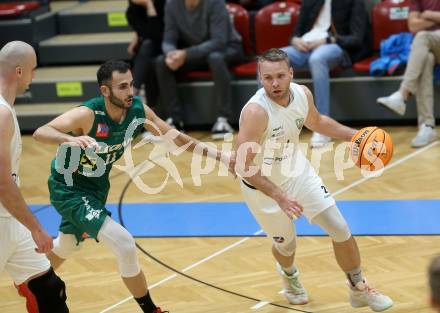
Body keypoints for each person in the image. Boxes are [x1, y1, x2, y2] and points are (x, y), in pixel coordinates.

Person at [33, 59, 232, 313]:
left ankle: (31, 281)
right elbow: (41, 132)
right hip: (68, 189)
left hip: (96, 188)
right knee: (124, 243)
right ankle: (151, 310)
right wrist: (69, 139)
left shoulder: (139, 111)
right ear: (105, 91)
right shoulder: (88, 114)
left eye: (132, 85)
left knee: (67, 245)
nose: (130, 92)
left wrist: (222, 157)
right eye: (122, 87)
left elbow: (176, 138)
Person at [235, 48, 393, 311]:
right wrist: (278, 195)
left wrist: (356, 136)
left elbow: (317, 122)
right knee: (286, 248)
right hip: (262, 188)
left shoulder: (302, 94)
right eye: (268, 78)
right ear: (260, 78)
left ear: (291, 74)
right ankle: (289, 275)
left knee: (339, 227)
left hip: (298, 172)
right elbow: (243, 166)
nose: (275, 83)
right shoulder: (256, 112)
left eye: (280, 76)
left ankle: (358, 287)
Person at [0, 41, 69, 313]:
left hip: (10, 220)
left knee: (49, 290)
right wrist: (37, 227)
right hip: (2, 219)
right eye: (33, 69)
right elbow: (3, 184)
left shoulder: (6, 108)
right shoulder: (2, 113)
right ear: (19, 71)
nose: (34, 76)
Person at [280, 0, 371, 148]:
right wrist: (295, 40)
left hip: (334, 46)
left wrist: (327, 40)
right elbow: (296, 33)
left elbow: (356, 38)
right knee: (272, 59)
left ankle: (322, 127)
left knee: (317, 59)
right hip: (306, 46)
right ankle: (275, 124)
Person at [155, 0, 244, 139]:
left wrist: (185, 54)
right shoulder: (171, 4)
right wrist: (171, 54)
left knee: (215, 58)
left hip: (228, 47)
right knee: (161, 62)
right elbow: (168, 39)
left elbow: (218, 41)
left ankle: (223, 119)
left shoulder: (215, 3)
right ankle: (175, 121)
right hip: (197, 52)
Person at [376, 0, 440, 148]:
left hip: (429, 39)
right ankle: (427, 126)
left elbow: (419, 26)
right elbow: (413, 26)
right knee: (426, 58)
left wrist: (428, 14)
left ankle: (402, 94)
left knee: (422, 36)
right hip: (431, 45)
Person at [126, 0, 165, 107]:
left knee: (146, 47)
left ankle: (133, 91)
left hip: (169, 45)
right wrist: (137, 35)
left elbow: (157, 35)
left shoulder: (164, 4)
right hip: (150, 50)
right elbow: (148, 34)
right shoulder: (131, 13)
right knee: (148, 59)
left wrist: (150, 6)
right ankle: (148, 108)